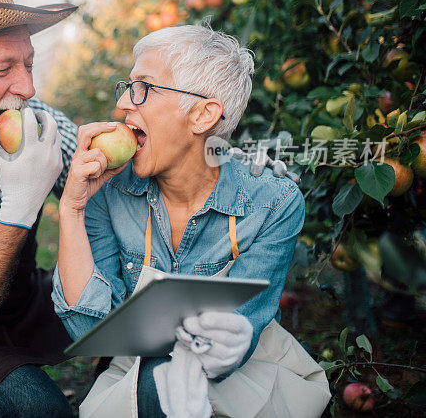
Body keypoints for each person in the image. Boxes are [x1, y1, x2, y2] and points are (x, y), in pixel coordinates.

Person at [0, 0, 293, 418]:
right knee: (37, 409)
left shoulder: (38, 125)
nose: (26, 87)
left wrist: (223, 164)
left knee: (120, 311)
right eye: (3, 69)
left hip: (19, 300)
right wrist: (23, 202)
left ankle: (118, 383)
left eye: (27, 64)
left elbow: (119, 194)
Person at [52, 25, 331, 417]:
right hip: (138, 368)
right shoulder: (108, 194)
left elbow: (236, 336)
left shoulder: (273, 202)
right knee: (157, 380)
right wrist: (72, 210)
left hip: (243, 369)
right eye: (127, 87)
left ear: (202, 115)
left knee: (168, 379)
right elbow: (87, 330)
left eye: (143, 88)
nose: (123, 107)